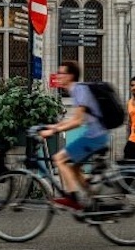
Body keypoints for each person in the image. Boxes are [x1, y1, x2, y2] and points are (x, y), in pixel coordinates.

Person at [40, 60, 112, 210]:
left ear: (70, 76)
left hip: (94, 136)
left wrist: (54, 131)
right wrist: (53, 126)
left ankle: (72, 197)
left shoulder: (78, 90)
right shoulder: (77, 90)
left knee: (59, 159)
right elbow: (75, 119)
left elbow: (77, 122)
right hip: (97, 134)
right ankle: (94, 200)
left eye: (61, 73)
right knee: (74, 168)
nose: (58, 76)